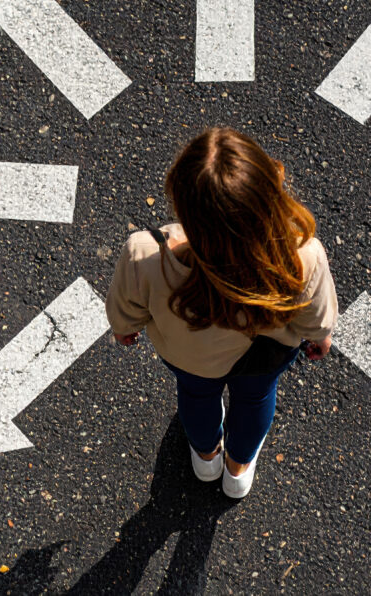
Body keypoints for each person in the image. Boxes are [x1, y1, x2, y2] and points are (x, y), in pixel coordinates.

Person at [106, 127, 337, 498]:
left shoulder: (146, 254)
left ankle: (206, 457)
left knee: (196, 397)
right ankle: (237, 469)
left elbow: (125, 315)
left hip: (189, 357)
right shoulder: (301, 255)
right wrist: (319, 338)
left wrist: (125, 329)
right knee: (255, 400)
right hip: (265, 356)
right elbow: (318, 319)